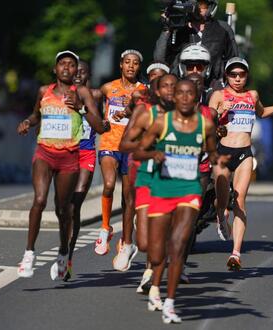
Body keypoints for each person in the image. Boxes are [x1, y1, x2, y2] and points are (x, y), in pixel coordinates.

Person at [133, 79, 229, 324]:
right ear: (173, 97)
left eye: (191, 94)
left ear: (197, 98)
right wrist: (154, 153)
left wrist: (220, 159)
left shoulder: (205, 125)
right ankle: (155, 282)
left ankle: (171, 302)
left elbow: (210, 151)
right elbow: (137, 151)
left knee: (178, 243)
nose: (186, 98)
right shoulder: (160, 123)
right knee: (156, 251)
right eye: (181, 93)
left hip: (189, 189)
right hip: (162, 189)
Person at [16, 51, 106, 280]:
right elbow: (36, 115)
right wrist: (27, 122)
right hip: (44, 153)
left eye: (71, 64)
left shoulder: (83, 93)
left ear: (77, 71)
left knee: (63, 209)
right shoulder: (43, 91)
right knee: (39, 200)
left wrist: (81, 108)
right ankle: (29, 253)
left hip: (69, 157)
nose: (66, 67)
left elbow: (100, 127)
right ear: (55, 70)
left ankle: (64, 252)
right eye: (62, 64)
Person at [209, 57, 273, 270]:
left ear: (247, 76)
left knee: (240, 201)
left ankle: (236, 253)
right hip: (222, 152)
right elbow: (207, 120)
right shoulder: (219, 95)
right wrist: (221, 112)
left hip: (244, 153)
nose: (237, 78)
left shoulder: (252, 95)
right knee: (221, 201)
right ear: (226, 76)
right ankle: (221, 215)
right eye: (233, 75)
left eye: (241, 74)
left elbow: (263, 112)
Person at [119, 73, 178, 293]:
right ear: (157, 91)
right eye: (165, 86)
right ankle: (151, 262)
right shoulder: (146, 114)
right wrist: (150, 151)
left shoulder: (186, 116)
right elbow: (125, 144)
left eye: (174, 86)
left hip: (173, 183)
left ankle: (153, 272)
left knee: (165, 233)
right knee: (144, 243)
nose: (170, 90)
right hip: (147, 179)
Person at [96, 49, 147, 272]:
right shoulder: (108, 87)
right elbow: (92, 106)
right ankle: (106, 227)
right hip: (109, 143)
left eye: (135, 63)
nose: (131, 66)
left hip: (131, 147)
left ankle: (126, 241)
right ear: (120, 65)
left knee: (129, 198)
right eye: (127, 62)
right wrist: (99, 122)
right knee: (108, 185)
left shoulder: (144, 91)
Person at [63, 60, 109, 281]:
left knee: (75, 204)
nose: (78, 75)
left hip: (86, 153)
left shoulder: (96, 95)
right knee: (64, 207)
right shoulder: (61, 94)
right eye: (75, 71)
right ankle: (64, 248)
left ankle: (68, 258)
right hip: (66, 154)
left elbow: (103, 121)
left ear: (89, 73)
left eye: (82, 71)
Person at [154, 0, 238, 84]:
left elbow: (233, 61)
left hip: (212, 85)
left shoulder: (222, 28)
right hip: (182, 86)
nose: (197, 8)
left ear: (211, 7)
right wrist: (166, 30)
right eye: (192, 3)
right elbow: (159, 60)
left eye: (201, 4)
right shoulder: (177, 27)